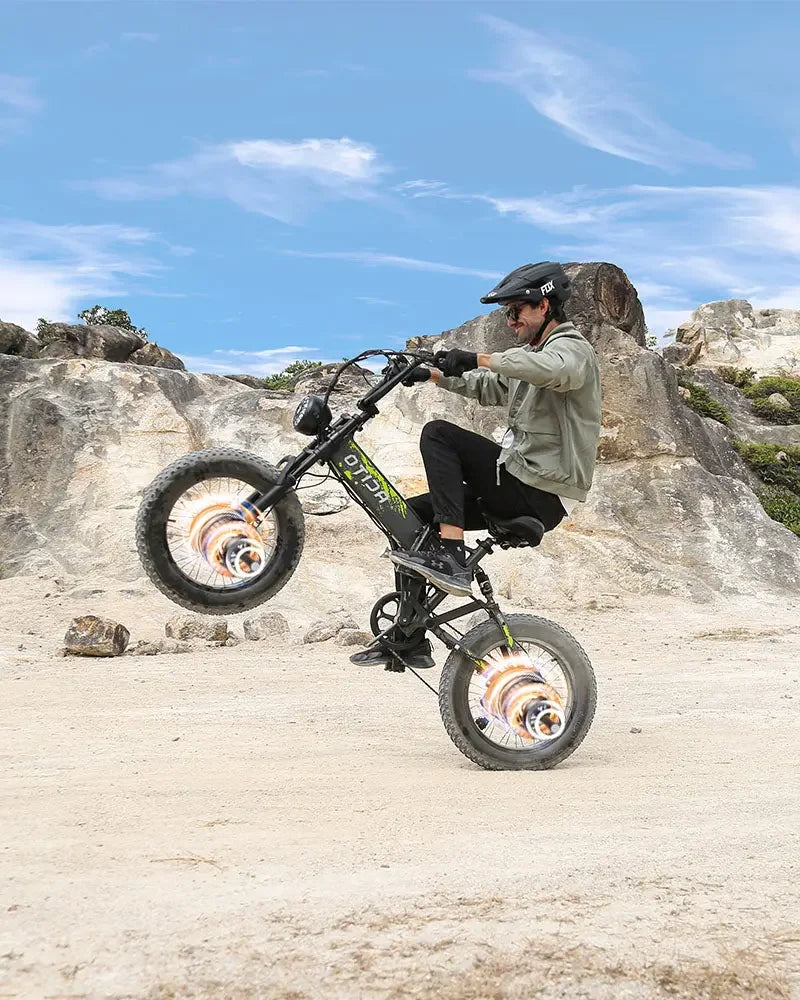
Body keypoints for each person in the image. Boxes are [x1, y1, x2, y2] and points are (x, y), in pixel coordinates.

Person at [351, 261, 602, 669]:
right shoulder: (529, 355)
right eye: (507, 313)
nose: (511, 319)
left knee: (439, 434)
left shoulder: (572, 349)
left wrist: (479, 356)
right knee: (409, 517)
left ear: (545, 305)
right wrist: (430, 374)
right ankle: (409, 638)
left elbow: (553, 371)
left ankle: (451, 554)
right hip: (517, 480)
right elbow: (488, 386)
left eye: (516, 310)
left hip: (543, 491)